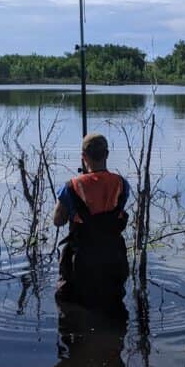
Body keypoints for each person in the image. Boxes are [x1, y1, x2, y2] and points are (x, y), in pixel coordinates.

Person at [53, 132, 130, 308]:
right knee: (113, 305)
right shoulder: (122, 184)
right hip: (114, 257)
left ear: (83, 157)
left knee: (71, 306)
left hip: (82, 260)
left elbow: (58, 221)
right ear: (107, 154)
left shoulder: (71, 186)